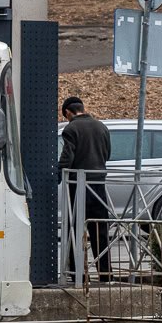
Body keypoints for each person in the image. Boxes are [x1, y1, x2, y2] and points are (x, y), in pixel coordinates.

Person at [59, 96, 113, 278]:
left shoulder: (71, 129)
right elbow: (108, 154)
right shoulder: (101, 127)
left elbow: (67, 158)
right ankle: (106, 274)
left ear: (68, 112)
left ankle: (79, 275)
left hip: (78, 187)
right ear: (83, 108)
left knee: (74, 230)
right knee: (100, 231)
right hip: (98, 186)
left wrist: (59, 173)